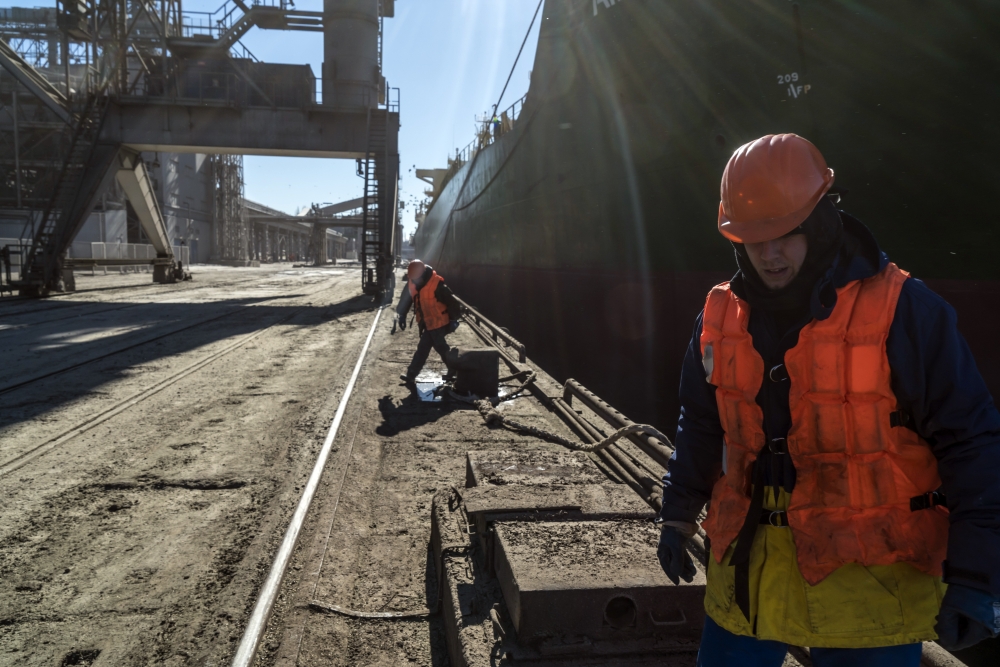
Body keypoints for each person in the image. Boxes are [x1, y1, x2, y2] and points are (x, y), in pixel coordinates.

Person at [656, 134, 1000, 666]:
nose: (768, 254)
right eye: (752, 239)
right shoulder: (719, 316)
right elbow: (702, 423)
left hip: (867, 587)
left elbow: (972, 440)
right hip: (748, 574)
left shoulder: (904, 311)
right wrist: (678, 514)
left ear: (819, 221)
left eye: (785, 234)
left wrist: (978, 575)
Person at [396, 259, 461, 386]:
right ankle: (453, 370)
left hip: (439, 322)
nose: (414, 282)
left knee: (431, 348)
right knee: (432, 348)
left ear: (424, 275)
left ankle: (412, 375)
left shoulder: (437, 285)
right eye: (413, 279)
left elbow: (453, 302)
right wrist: (402, 314)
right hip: (428, 322)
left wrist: (453, 320)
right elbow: (407, 298)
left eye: (416, 279)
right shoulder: (413, 281)